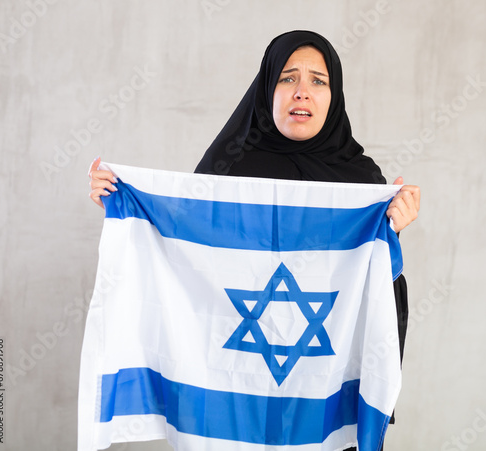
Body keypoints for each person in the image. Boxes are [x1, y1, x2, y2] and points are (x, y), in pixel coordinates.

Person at [88, 30, 420, 450]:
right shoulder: (226, 172)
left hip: (322, 399)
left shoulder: (361, 183)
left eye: (318, 81)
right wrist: (128, 211)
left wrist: (389, 236)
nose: (303, 92)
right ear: (266, 89)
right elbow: (181, 256)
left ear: (334, 95)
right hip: (234, 400)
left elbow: (378, 301)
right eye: (287, 78)